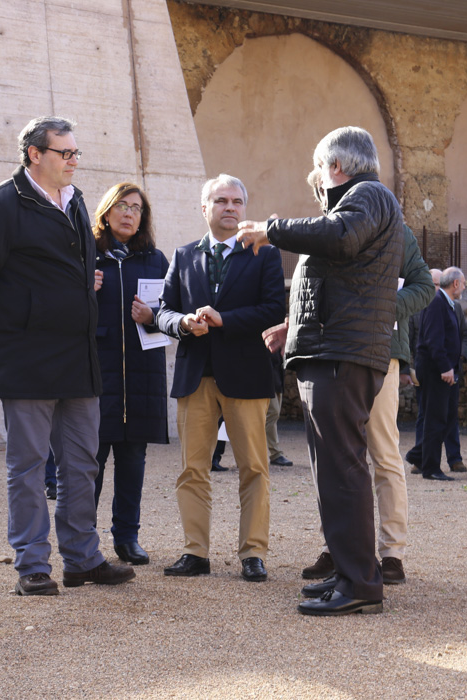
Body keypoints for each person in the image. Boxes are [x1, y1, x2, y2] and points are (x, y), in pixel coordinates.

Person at [0, 116, 133, 596]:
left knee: (82, 464)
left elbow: (66, 270)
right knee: (29, 467)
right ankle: (32, 566)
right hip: (26, 359)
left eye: (76, 153)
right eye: (64, 153)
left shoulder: (74, 204)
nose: (73, 161)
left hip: (78, 356)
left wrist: (80, 291)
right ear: (34, 154)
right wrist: (8, 334)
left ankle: (82, 559)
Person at [237, 125, 404, 616]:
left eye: (317, 167)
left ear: (335, 165)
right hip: (334, 349)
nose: (314, 178)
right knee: (335, 470)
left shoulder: (367, 196)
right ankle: (348, 573)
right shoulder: (362, 201)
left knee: (342, 470)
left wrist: (271, 229)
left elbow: (341, 238)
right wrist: (293, 327)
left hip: (341, 355)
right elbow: (344, 279)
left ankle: (359, 585)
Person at [297, 203, 434, 586]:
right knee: (334, 456)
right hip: (333, 352)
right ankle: (337, 547)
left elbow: (424, 287)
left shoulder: (399, 234)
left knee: (384, 452)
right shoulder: (328, 230)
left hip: (380, 351)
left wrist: (380, 309)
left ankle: (392, 554)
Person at [156, 174, 285, 582]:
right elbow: (162, 311)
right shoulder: (183, 254)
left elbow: (272, 309)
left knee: (254, 468)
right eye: (221, 201)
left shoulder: (265, 254)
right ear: (204, 208)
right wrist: (184, 323)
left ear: (244, 209)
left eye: (236, 202)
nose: (230, 207)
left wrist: (224, 319)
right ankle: (195, 552)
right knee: (192, 469)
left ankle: (253, 553)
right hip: (195, 377)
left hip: (247, 375)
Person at [90, 182, 170, 566]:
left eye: (136, 208)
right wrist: (82, 291)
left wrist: (152, 317)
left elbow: (174, 315)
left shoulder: (156, 260)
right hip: (96, 372)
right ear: (106, 212)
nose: (128, 213)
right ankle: (83, 540)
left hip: (141, 374)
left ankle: (127, 537)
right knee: (91, 460)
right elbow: (58, 310)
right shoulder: (86, 257)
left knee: (133, 459)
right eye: (121, 206)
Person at [406, 268, 467, 474]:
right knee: (435, 419)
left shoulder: (446, 304)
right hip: (436, 372)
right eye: (463, 282)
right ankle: (431, 467)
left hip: (440, 371)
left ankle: (418, 455)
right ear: (455, 284)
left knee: (441, 417)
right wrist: (445, 368)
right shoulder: (437, 303)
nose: (464, 286)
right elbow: (434, 340)